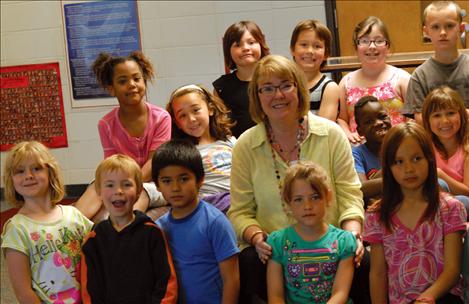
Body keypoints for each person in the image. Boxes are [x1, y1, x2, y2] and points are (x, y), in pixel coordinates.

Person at [227, 55, 366, 303]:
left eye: (285, 85)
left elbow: (350, 196)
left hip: (329, 246)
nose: (277, 95)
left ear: (299, 90)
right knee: (249, 260)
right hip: (275, 252)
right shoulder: (245, 146)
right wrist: (258, 238)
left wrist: (352, 236)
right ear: (257, 97)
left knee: (362, 258)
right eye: (267, 88)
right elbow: (240, 212)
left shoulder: (331, 135)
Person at [364, 122, 466, 304]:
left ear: (429, 160)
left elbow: (452, 270)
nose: (409, 169)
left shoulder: (450, 208)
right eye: (399, 162)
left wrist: (427, 298)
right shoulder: (377, 215)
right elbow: (378, 273)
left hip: (443, 297)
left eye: (417, 159)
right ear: (388, 167)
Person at [75, 51, 171, 223]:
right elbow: (111, 165)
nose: (132, 84)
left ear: (144, 81)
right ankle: (68, 229)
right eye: (122, 81)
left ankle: (120, 232)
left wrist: (126, 185)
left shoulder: (161, 117)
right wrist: (111, 187)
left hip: (152, 183)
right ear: (111, 88)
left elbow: (154, 162)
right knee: (95, 189)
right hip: (119, 178)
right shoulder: (106, 124)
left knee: (110, 216)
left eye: (136, 78)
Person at [1, 141, 93, 303]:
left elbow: (98, 255)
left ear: (50, 172)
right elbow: (23, 291)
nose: (29, 175)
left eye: (36, 168)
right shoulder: (17, 229)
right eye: (20, 171)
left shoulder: (74, 216)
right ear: (11, 180)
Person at [80, 154, 178, 304]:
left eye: (126, 184)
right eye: (110, 185)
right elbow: (91, 290)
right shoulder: (94, 239)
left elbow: (166, 282)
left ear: (139, 191)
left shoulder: (152, 233)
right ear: (99, 191)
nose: (118, 191)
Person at [154, 139, 240, 303]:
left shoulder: (215, 223)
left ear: (200, 180)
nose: (175, 188)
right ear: (157, 185)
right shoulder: (159, 228)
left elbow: (232, 280)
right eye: (166, 181)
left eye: (184, 179)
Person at [267, 162, 356, 303]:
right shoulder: (278, 242)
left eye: (315, 197)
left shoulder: (344, 241)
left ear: (328, 197)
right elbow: (275, 297)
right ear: (288, 203)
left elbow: (340, 293)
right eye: (298, 200)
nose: (307, 206)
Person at [337, 16, 410, 144]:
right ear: (356, 47)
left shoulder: (403, 79)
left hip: (396, 148)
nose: (372, 47)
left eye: (379, 41)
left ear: (387, 46)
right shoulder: (345, 82)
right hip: (359, 151)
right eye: (364, 41)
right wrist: (347, 133)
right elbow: (342, 119)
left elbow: (413, 120)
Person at [166, 84, 236, 213]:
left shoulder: (230, 141)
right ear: (177, 123)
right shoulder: (180, 152)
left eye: (196, 110)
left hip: (238, 197)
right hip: (210, 203)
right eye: (183, 116)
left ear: (210, 109)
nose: (191, 119)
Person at [403, 1, 469, 124]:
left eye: (449, 26)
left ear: (461, 29)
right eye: (435, 27)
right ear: (426, 31)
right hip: (435, 142)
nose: (443, 32)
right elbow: (420, 119)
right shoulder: (420, 76)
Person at [213, 20, 270, 138]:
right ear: (228, 51)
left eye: (251, 42)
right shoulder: (221, 88)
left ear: (261, 44)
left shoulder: (274, 78)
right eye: (238, 45)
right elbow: (221, 126)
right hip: (240, 148)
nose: (245, 48)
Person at [421, 86, 469, 219]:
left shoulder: (467, 147)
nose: (445, 121)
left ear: (461, 114)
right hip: (429, 205)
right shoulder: (424, 146)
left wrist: (441, 174)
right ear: (428, 120)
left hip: (462, 206)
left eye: (450, 113)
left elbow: (467, 193)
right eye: (437, 115)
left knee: (461, 200)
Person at [290, 19, 339, 121]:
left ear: (326, 54)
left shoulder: (330, 88)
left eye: (317, 46)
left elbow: (323, 130)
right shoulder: (283, 84)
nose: (310, 51)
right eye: (304, 45)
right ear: (292, 49)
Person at [352, 96, 391, 204]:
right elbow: (361, 188)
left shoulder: (402, 146)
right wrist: (397, 178)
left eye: (382, 116)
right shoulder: (357, 154)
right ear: (360, 131)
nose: (378, 123)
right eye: (369, 121)